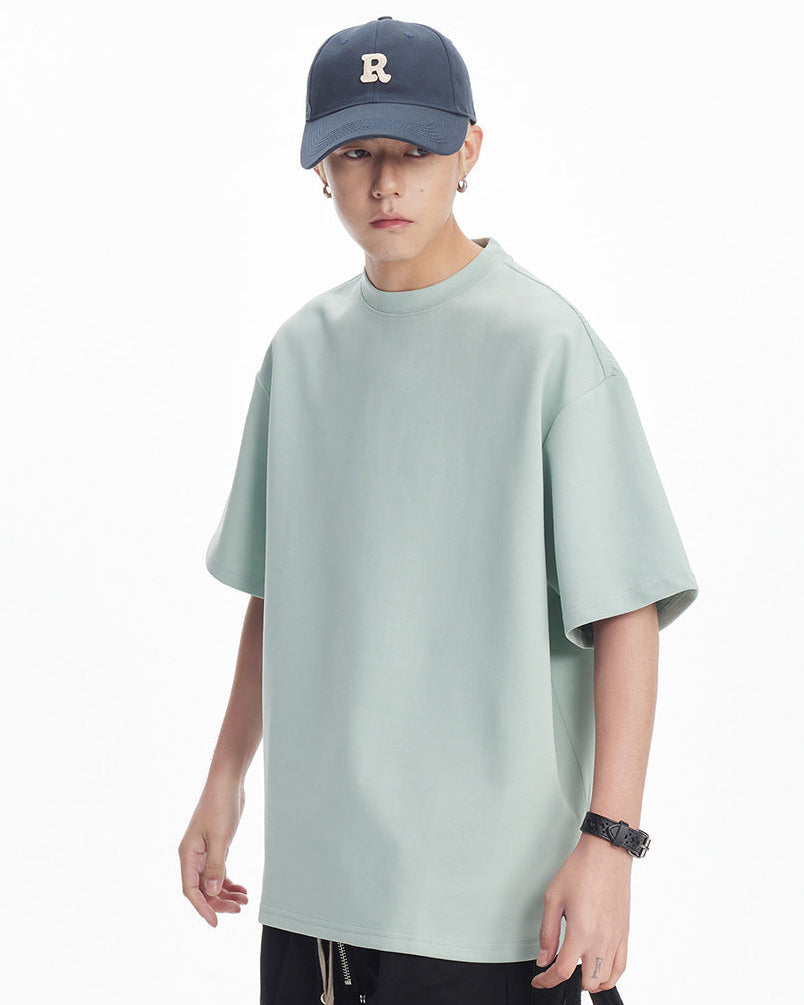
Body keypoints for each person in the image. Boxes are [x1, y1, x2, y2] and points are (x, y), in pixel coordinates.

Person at [178, 15, 699, 1005]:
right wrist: (224, 779)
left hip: (496, 905)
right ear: (319, 168)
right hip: (319, 893)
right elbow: (279, 593)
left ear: (469, 151)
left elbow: (628, 608)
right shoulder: (300, 355)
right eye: (356, 155)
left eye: (413, 152)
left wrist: (611, 843)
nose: (386, 185)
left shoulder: (546, 348)